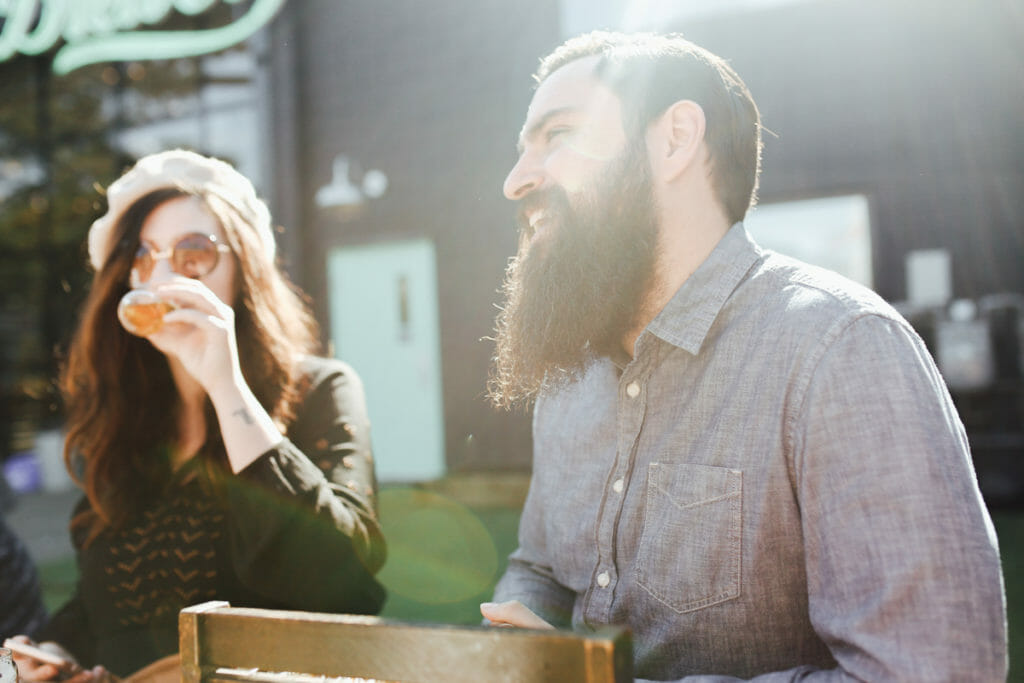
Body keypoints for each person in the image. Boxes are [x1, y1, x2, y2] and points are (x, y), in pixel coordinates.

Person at [479, 31, 1007, 681]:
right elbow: (541, 566)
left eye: (557, 134)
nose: (515, 180)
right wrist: (509, 640)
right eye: (521, 148)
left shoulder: (843, 350)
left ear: (674, 139)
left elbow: (930, 669)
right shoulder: (572, 375)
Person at [9, 149, 387, 681]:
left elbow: (343, 583)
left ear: (244, 267)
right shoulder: (125, 427)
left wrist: (224, 384)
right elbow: (107, 608)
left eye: (193, 252)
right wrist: (52, 650)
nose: (162, 276)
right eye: (143, 255)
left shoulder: (320, 388)